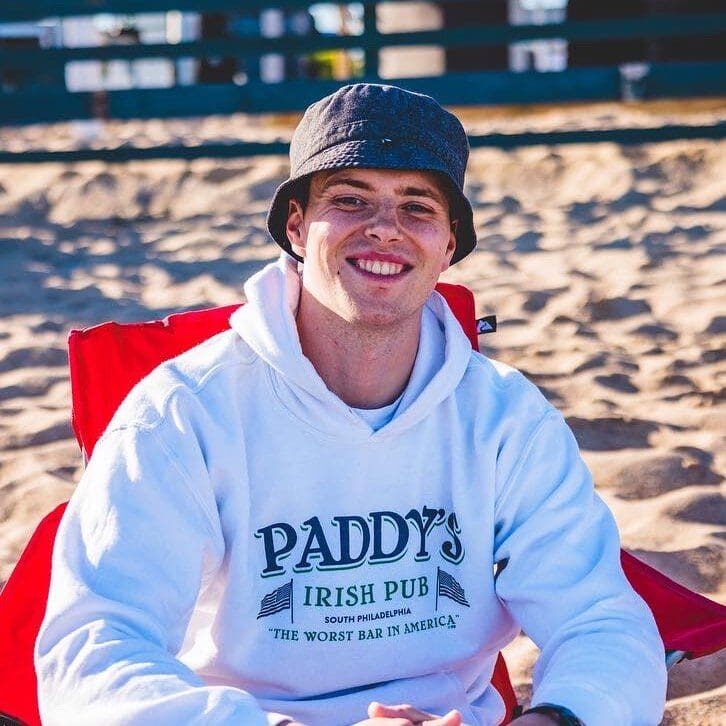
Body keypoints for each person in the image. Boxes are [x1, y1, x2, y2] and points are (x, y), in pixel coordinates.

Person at [35, 83, 667, 726]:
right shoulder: (184, 414)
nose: (385, 228)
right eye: (350, 199)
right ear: (296, 226)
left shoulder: (505, 418)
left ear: (450, 245)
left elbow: (600, 618)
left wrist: (550, 721)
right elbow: (94, 649)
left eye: (417, 206)